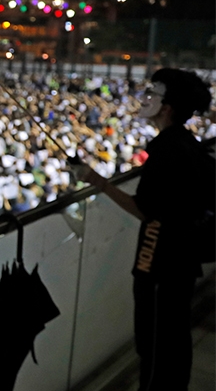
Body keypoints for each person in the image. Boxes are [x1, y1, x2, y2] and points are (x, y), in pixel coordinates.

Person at [76, 68, 214, 390]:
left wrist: (96, 180)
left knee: (154, 346)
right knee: (175, 342)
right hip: (181, 260)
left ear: (167, 107)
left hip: (161, 265)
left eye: (152, 94)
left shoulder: (166, 150)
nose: (144, 99)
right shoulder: (186, 143)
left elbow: (144, 209)